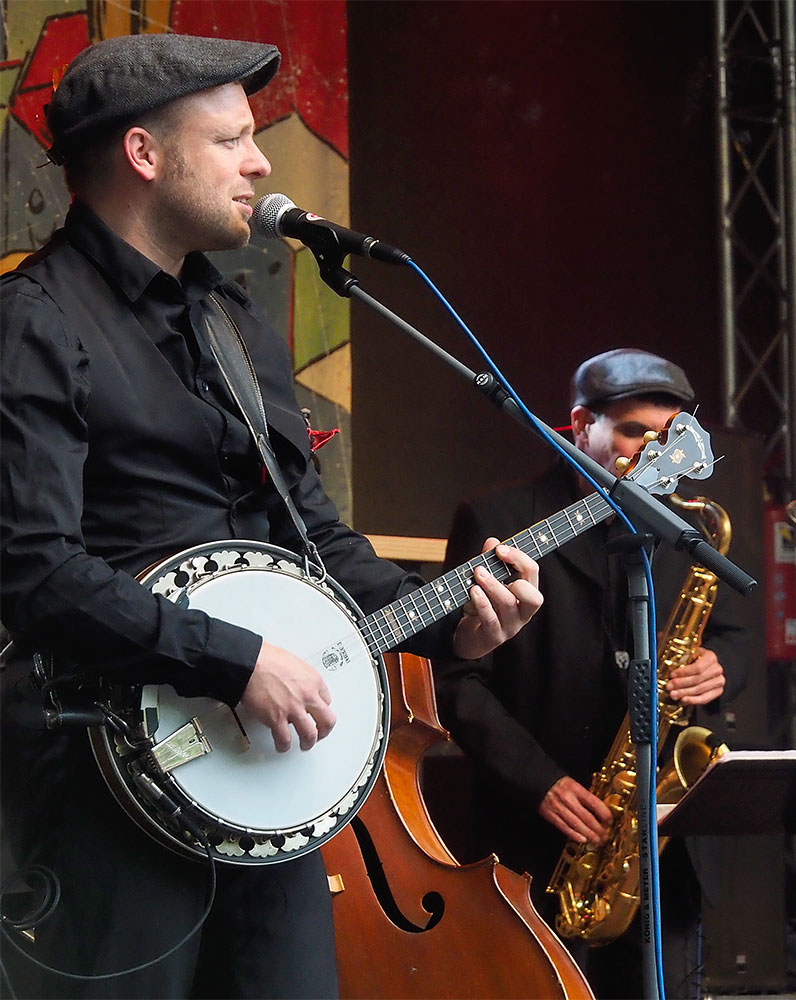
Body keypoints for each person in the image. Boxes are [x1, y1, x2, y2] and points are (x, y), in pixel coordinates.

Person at [0, 34, 543, 998]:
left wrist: (450, 614)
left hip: (259, 782)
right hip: (103, 779)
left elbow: (310, 536)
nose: (260, 164)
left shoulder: (231, 321)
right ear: (143, 154)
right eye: (233, 141)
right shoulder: (33, 320)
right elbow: (33, 567)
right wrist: (233, 659)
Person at [433, 348, 753, 999]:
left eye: (667, 436)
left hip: (662, 844)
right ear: (580, 424)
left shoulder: (691, 523)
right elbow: (455, 681)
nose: (652, 451)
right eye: (634, 431)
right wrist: (541, 784)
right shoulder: (499, 520)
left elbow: (733, 637)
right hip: (535, 840)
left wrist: (721, 668)